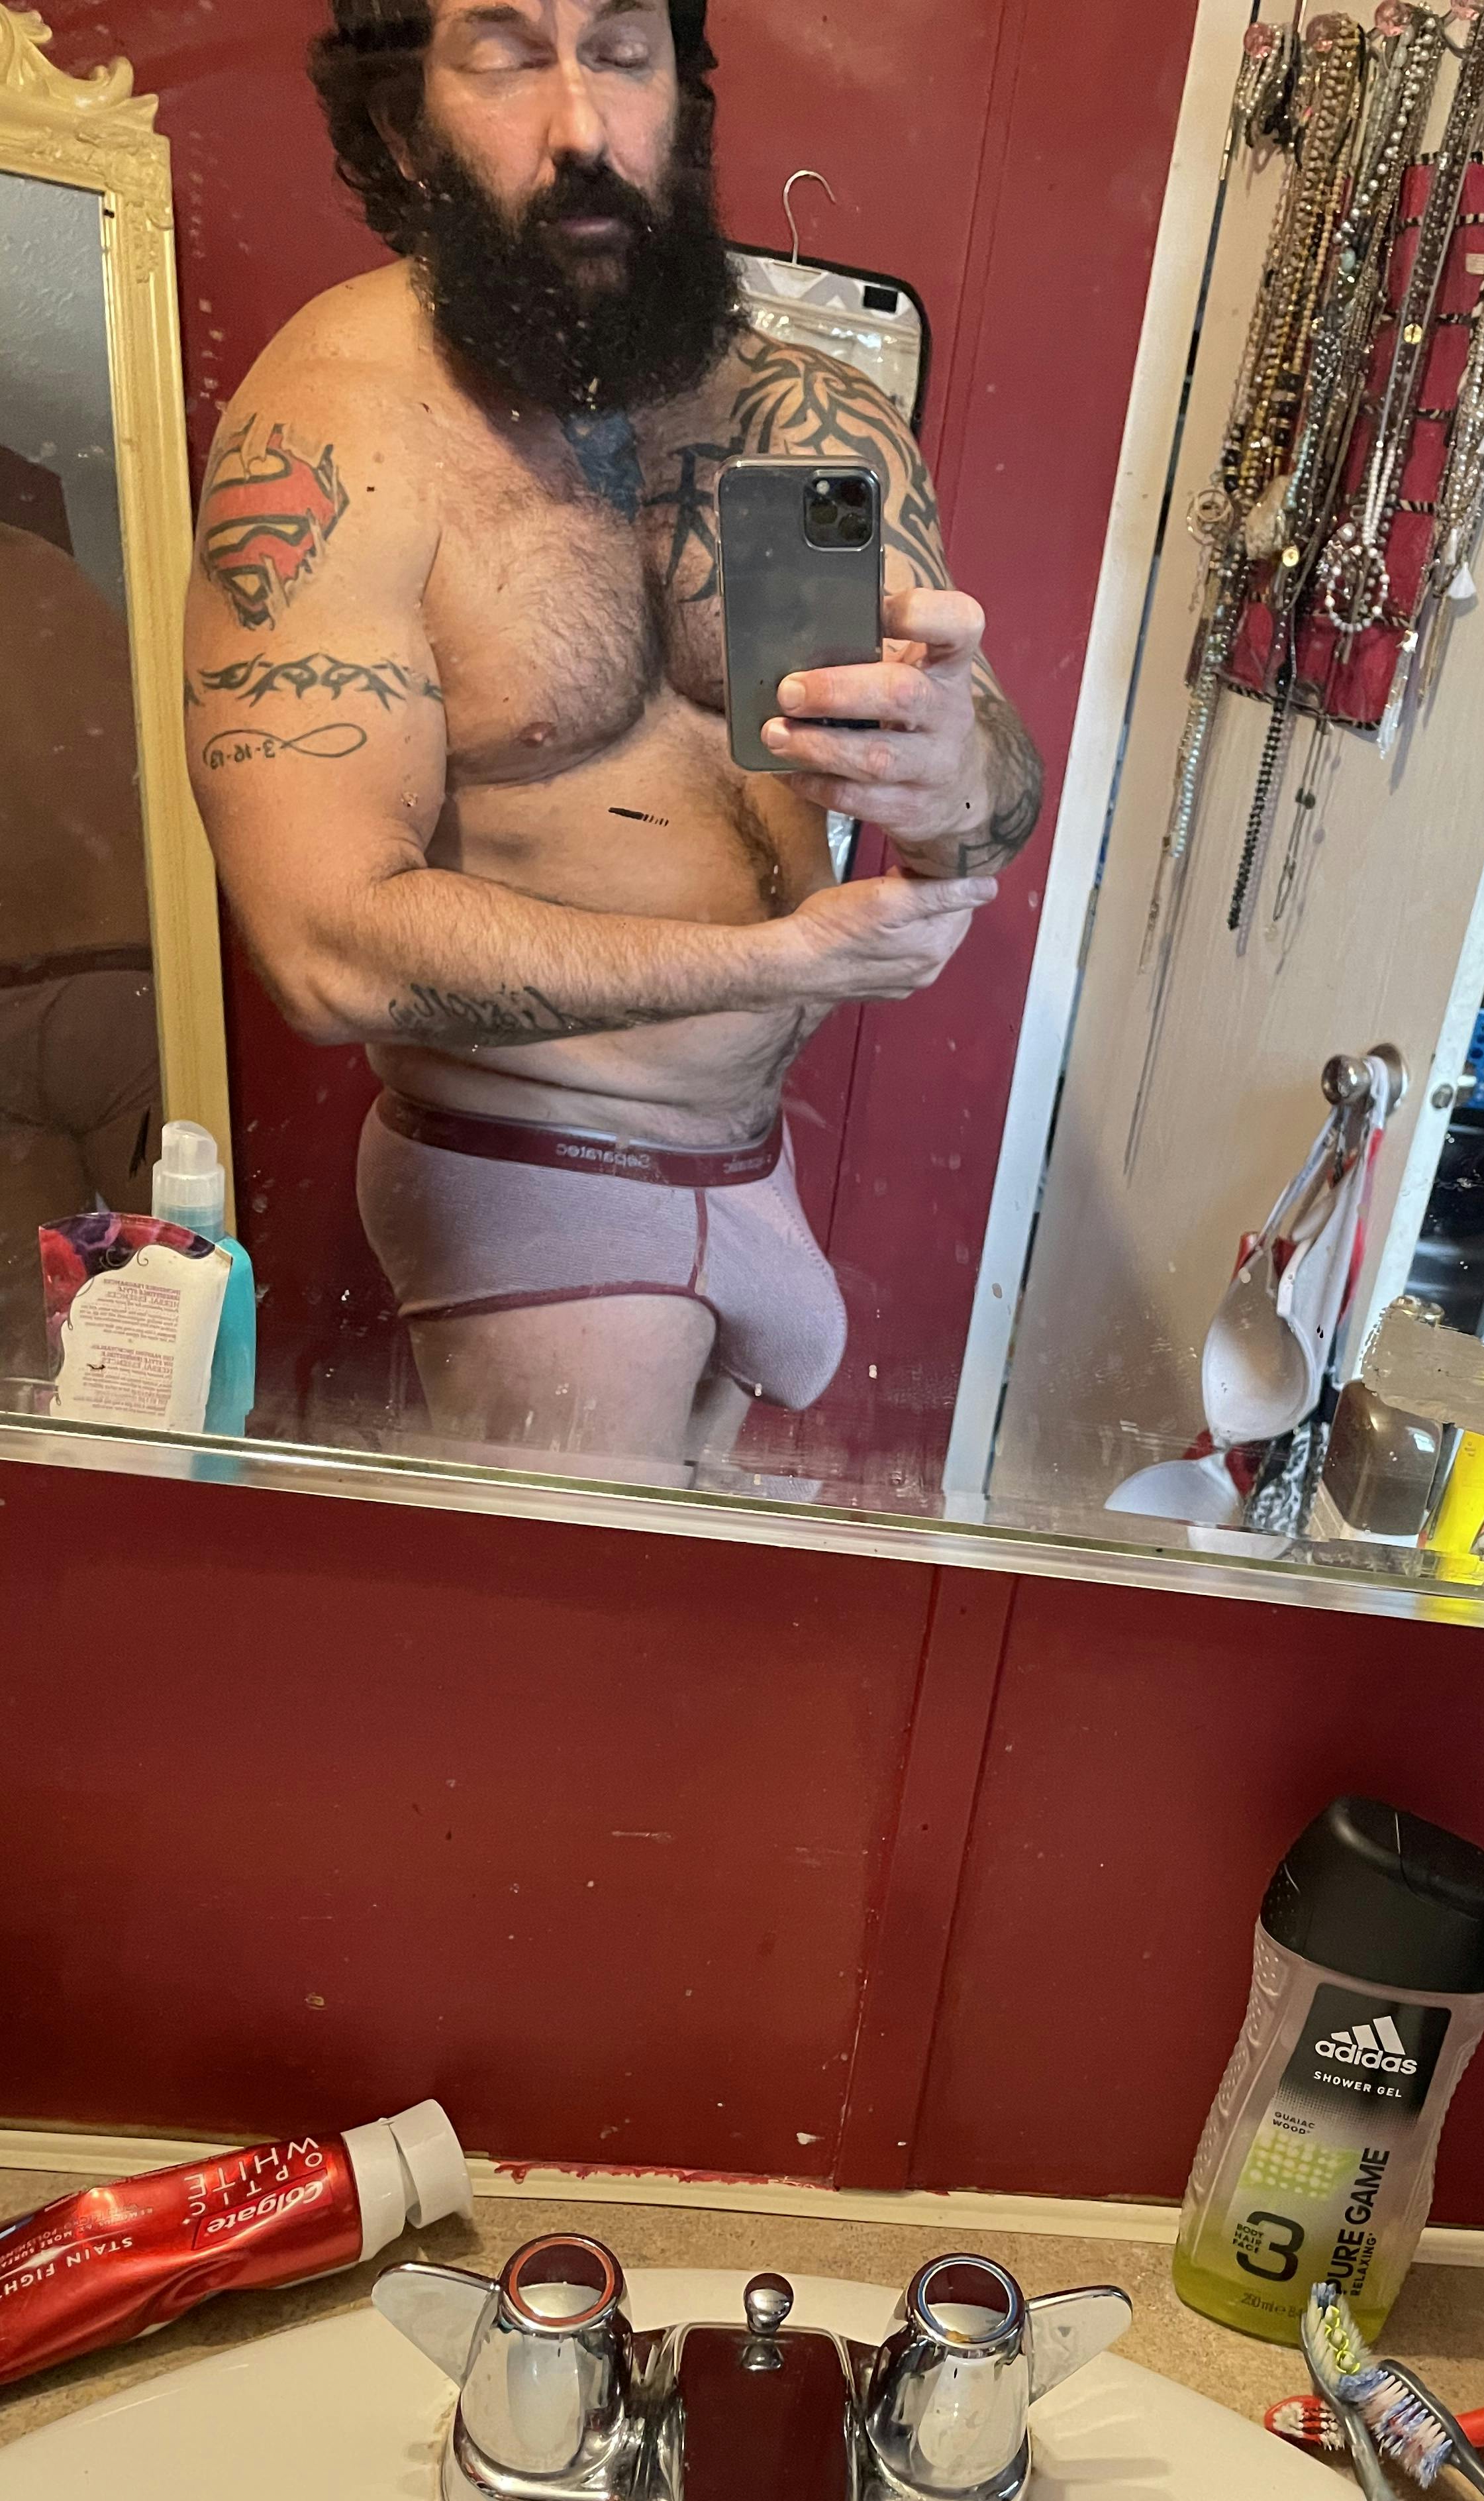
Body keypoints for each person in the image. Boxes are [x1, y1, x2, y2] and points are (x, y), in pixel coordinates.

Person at [184, 0, 1042, 1471]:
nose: (583, 126)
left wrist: (956, 772)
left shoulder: (803, 414)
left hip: (756, 1161)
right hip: (537, 1169)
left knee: (694, 1612)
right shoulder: (337, 429)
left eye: (623, 55)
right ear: (402, 123)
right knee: (589, 1619)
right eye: (507, 58)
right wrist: (778, 963)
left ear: (683, 100)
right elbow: (325, 951)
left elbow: (987, 793)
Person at [1, 520, 160, 1377]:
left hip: (8, 992)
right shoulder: (53, 576)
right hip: (116, 982)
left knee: (39, 1357)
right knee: (184, 1312)